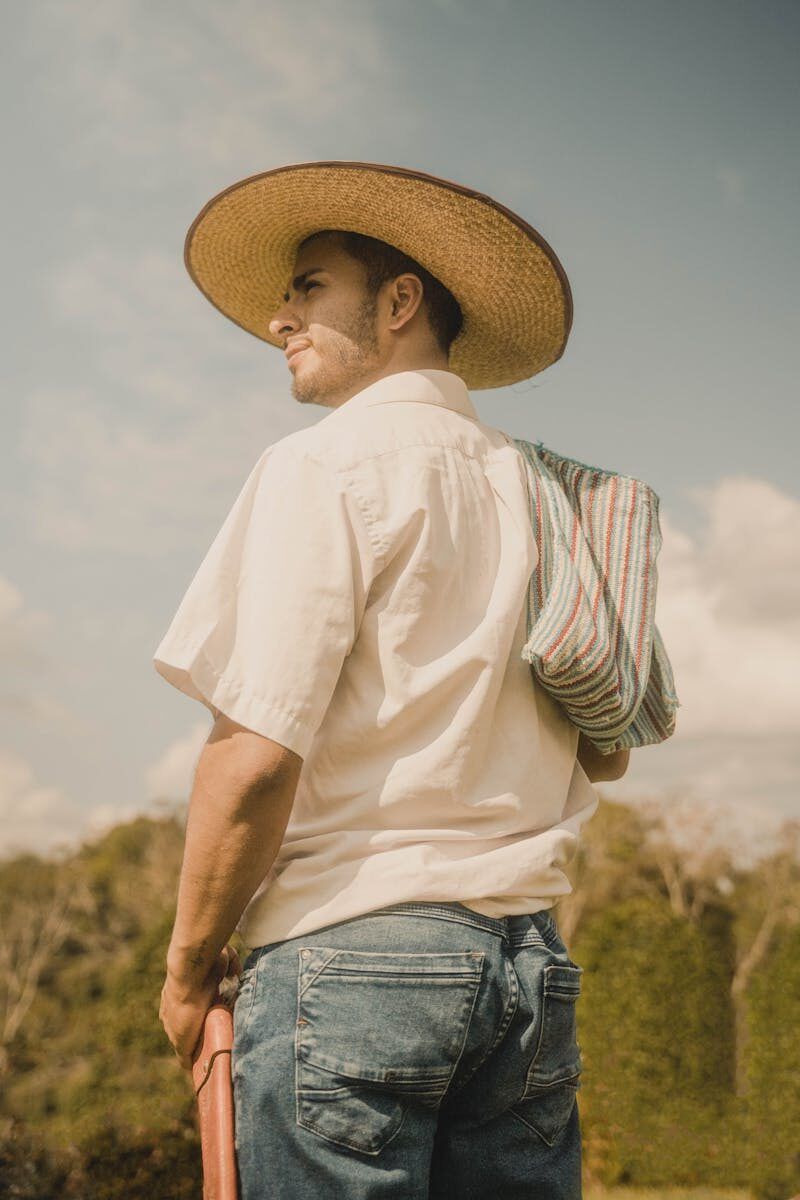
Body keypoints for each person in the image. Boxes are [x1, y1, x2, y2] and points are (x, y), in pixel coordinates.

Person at [156, 162, 630, 1199]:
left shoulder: (321, 467)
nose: (280, 318)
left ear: (401, 301)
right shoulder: (545, 492)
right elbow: (611, 742)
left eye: (309, 286)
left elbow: (252, 758)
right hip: (529, 974)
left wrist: (191, 963)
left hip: (351, 952)